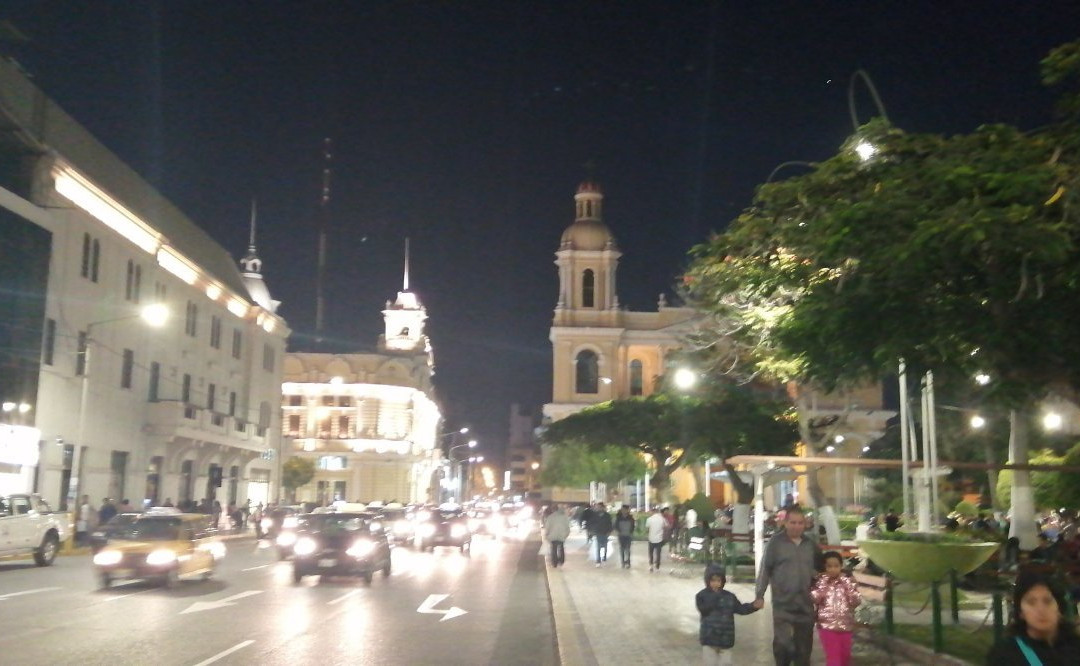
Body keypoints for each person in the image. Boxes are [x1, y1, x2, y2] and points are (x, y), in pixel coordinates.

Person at [754, 505, 822, 666]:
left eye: (800, 523)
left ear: (805, 524)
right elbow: (765, 569)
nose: (796, 526)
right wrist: (759, 595)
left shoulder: (810, 545)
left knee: (804, 648)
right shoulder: (775, 543)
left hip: (805, 604)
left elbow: (822, 568)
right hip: (782, 604)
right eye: (793, 522)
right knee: (783, 645)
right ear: (785, 523)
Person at [985, 572, 1080, 665]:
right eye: (1031, 602)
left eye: (1047, 601)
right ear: (1021, 612)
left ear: (1059, 609)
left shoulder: (1075, 648)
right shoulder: (1004, 655)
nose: (1040, 609)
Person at [697, 564, 758, 665]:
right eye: (713, 580)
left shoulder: (729, 596)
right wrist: (715, 597)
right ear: (707, 581)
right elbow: (703, 609)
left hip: (726, 640)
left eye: (718, 580)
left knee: (726, 663)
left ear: (722, 581)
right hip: (709, 639)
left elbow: (740, 609)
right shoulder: (701, 596)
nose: (716, 584)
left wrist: (753, 606)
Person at [810, 551, 861, 666]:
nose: (833, 569)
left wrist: (848, 585)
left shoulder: (847, 582)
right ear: (824, 567)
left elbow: (856, 601)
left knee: (845, 658)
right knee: (834, 659)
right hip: (826, 626)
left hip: (845, 626)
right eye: (829, 566)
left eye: (836, 566)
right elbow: (815, 598)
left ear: (841, 566)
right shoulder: (820, 582)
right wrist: (824, 583)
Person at [544, 503, 570, 567]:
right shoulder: (564, 517)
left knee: (554, 549)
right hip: (562, 535)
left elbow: (547, 527)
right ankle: (561, 561)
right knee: (561, 548)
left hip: (552, 535)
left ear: (552, 510)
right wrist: (566, 534)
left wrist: (546, 535)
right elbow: (567, 526)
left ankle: (554, 563)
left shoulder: (550, 517)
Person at [589, 502, 612, 566]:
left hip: (605, 532)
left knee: (605, 546)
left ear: (602, 507)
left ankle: (604, 557)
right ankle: (598, 560)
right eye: (597, 507)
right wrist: (592, 531)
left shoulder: (607, 515)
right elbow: (592, 523)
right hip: (598, 532)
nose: (598, 508)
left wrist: (609, 532)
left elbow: (610, 524)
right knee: (598, 547)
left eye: (599, 507)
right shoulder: (595, 515)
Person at [646, 506, 667, 572]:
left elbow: (647, 528)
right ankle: (657, 567)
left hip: (651, 539)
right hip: (659, 539)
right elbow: (666, 526)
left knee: (651, 553)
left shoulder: (649, 519)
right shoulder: (662, 519)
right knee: (658, 554)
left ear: (652, 512)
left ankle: (651, 566)